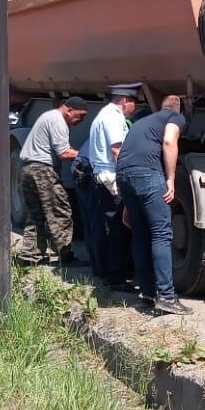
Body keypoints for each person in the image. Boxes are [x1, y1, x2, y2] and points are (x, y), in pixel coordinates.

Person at [117, 95, 191, 315]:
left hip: (123, 174)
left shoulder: (143, 122)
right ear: (180, 110)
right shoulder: (175, 117)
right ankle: (167, 297)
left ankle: (148, 295)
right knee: (161, 233)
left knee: (140, 234)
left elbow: (124, 155)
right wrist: (170, 179)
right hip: (146, 174)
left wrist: (128, 204)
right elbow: (169, 141)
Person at [16, 96, 89, 265]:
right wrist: (89, 154)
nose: (82, 120)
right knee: (59, 212)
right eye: (80, 115)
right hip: (43, 171)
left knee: (36, 215)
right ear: (69, 109)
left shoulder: (49, 116)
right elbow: (64, 153)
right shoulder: (57, 121)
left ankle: (29, 256)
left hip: (29, 169)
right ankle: (65, 255)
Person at [82, 83, 139, 289]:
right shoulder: (114, 118)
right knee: (117, 230)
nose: (136, 106)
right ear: (125, 101)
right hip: (112, 179)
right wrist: (128, 177)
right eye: (135, 101)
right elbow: (117, 151)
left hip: (102, 178)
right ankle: (115, 278)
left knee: (108, 228)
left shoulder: (103, 115)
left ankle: (107, 273)